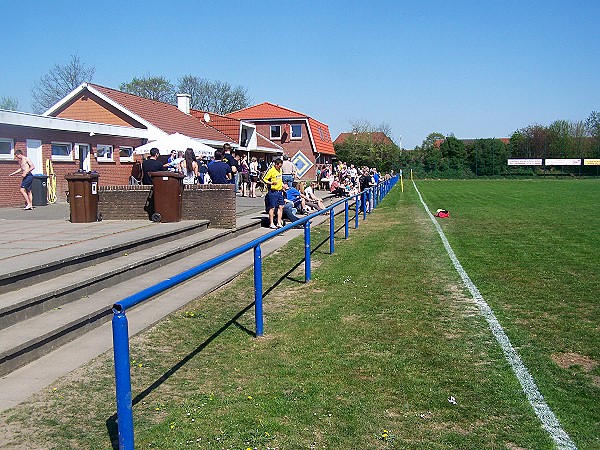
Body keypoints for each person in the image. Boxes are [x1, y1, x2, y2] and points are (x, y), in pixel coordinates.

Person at [262, 157, 284, 229]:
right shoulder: (271, 170)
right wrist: (271, 183)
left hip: (280, 191)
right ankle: (271, 223)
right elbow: (263, 179)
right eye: (279, 166)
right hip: (273, 192)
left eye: (281, 166)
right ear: (276, 165)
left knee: (281, 206)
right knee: (273, 207)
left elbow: (280, 179)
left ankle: (279, 222)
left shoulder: (280, 170)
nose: (280, 167)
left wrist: (283, 186)